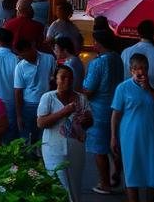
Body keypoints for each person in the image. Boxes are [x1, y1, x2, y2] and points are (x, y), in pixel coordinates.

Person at [112, 54, 154, 202]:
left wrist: (149, 89)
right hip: (130, 138)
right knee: (132, 175)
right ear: (131, 70)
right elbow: (115, 115)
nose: (141, 72)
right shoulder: (123, 88)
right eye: (137, 68)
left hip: (153, 137)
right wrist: (113, 137)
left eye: (144, 68)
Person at [38, 64, 92, 202]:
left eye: (70, 78)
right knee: (59, 185)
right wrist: (63, 112)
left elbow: (89, 123)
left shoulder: (81, 98)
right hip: (53, 148)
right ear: (55, 79)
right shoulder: (48, 97)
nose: (67, 81)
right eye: (63, 77)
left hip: (76, 149)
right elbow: (41, 123)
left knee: (74, 185)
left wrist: (86, 120)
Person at [83, 22, 127, 195]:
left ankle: (105, 183)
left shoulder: (98, 63)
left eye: (95, 42)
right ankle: (117, 173)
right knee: (113, 145)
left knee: (99, 149)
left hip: (99, 110)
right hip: (115, 107)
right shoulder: (117, 58)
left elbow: (89, 89)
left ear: (99, 43)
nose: (93, 45)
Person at [14, 38, 56, 144]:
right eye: (21, 56)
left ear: (31, 48)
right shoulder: (20, 67)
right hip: (29, 105)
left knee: (45, 136)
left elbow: (54, 80)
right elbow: (18, 91)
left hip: (47, 102)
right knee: (28, 137)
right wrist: (19, 116)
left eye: (25, 54)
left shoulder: (49, 59)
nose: (24, 58)